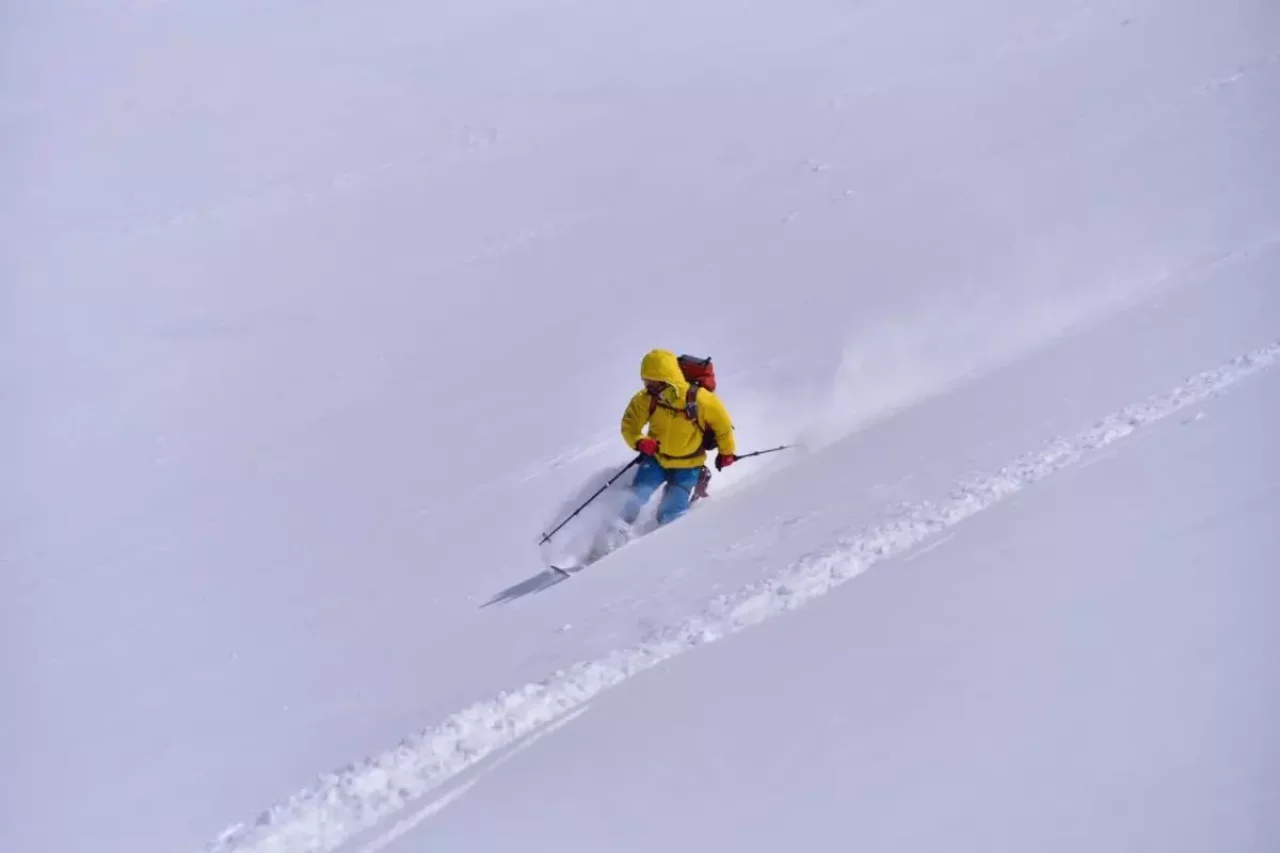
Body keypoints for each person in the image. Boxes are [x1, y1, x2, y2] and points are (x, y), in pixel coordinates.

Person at [618, 349, 738, 527]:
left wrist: (727, 453)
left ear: (666, 379)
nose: (647, 386)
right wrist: (640, 441)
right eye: (645, 381)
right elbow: (629, 424)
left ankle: (663, 544)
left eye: (652, 382)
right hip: (656, 460)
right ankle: (614, 532)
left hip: (688, 467)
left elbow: (723, 428)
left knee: (671, 514)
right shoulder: (646, 399)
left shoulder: (700, 399)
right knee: (635, 498)